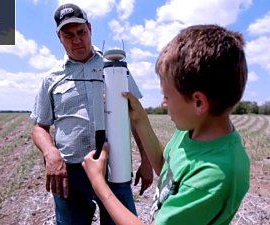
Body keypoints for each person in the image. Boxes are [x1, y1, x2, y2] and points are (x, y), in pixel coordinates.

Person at [82, 24, 250, 225]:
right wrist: (140, 119)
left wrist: (100, 185)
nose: (163, 103)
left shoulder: (214, 176)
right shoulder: (194, 129)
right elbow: (166, 168)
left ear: (199, 103)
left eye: (167, 96)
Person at [30, 3, 153, 225]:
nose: (77, 40)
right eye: (68, 35)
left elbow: (135, 116)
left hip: (115, 167)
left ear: (90, 29)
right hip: (70, 172)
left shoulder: (116, 68)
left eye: (81, 32)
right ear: (59, 37)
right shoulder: (50, 78)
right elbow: (40, 127)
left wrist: (146, 160)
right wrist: (50, 152)